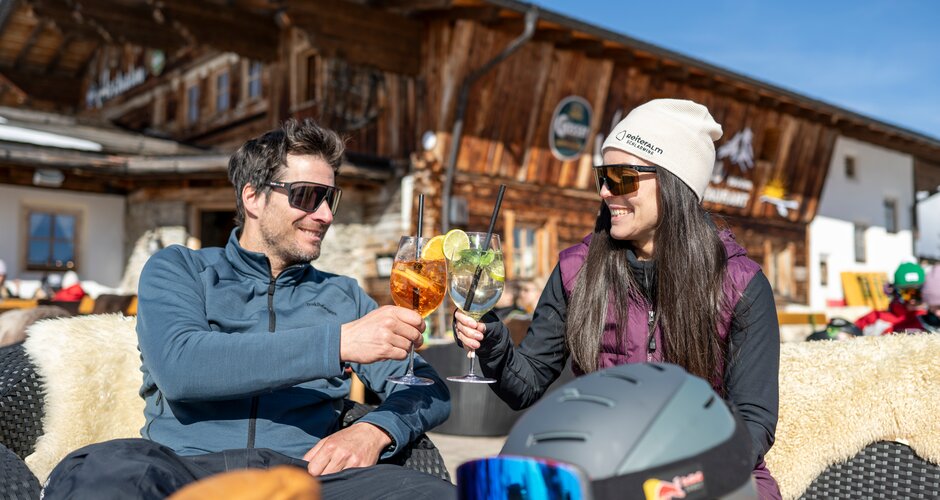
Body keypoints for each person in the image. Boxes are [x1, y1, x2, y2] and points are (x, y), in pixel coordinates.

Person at [42, 119, 453, 500]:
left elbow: (424, 386)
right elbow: (181, 368)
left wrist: (375, 429)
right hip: (184, 469)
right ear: (252, 197)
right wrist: (339, 343)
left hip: (307, 477)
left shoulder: (342, 295)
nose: (325, 215)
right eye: (308, 196)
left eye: (331, 199)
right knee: (97, 472)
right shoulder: (181, 269)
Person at [454, 99, 781, 499]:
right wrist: (494, 344)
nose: (606, 191)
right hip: (599, 469)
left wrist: (677, 481)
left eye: (622, 177)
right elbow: (527, 384)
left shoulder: (739, 284)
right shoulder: (577, 270)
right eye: (602, 177)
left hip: (709, 476)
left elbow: (753, 423)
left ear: (674, 183)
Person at [854, 262, 928, 335]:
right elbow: (851, 331)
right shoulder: (878, 318)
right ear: (894, 292)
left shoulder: (930, 320)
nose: (912, 301)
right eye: (906, 294)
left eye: (917, 294)